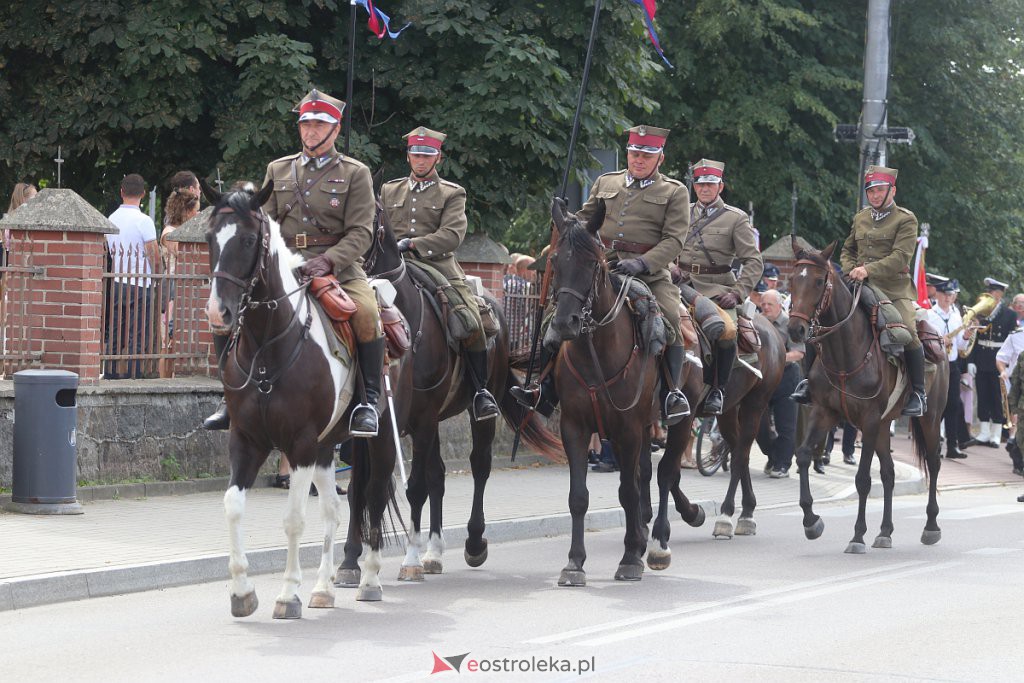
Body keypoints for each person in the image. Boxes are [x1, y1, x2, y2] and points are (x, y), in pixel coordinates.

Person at [511, 125, 691, 425]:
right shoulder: (607, 182)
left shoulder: (675, 191)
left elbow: (674, 240)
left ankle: (671, 395)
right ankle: (541, 388)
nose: (638, 160)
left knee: (670, 319)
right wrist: (564, 217)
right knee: (557, 317)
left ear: (660, 157)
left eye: (646, 155)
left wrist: (643, 263)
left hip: (648, 273)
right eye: (634, 153)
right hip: (601, 265)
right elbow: (583, 220)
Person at [258, 89, 383, 437]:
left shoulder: (356, 173)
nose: (310, 131)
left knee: (367, 313)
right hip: (286, 265)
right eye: (306, 124)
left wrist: (328, 261)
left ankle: (368, 401)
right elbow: (265, 224)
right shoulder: (278, 168)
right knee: (238, 307)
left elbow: (361, 233)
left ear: (335, 129)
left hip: (338, 267)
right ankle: (233, 396)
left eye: (319, 124)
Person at [380, 126, 499, 420]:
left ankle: (480, 390)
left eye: (426, 155)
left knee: (470, 319)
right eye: (415, 154)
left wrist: (414, 244)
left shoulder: (452, 193)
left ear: (438, 158)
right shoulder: (388, 189)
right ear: (408, 157)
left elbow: (452, 235)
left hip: (436, 265)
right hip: (391, 265)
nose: (420, 160)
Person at [792, 165, 926, 416]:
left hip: (894, 289)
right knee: (816, 323)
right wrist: (852, 268)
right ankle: (808, 382)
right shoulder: (861, 217)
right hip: (857, 284)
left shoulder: (906, 219)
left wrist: (868, 270)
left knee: (908, 331)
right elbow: (848, 249)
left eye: (879, 190)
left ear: (892, 190)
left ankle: (918, 393)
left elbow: (901, 256)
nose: (874, 195)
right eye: (871, 191)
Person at [678, 158, 763, 414]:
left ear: (720, 186)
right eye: (700, 184)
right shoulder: (681, 211)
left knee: (726, 331)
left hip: (716, 290)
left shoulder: (735, 218)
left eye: (710, 184)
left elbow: (753, 260)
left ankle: (717, 388)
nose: (704, 189)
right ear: (694, 186)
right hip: (677, 284)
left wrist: (738, 293)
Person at [105, 174, 161, 379]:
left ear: (121, 192)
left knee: (117, 330)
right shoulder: (144, 221)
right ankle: (133, 374)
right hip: (141, 283)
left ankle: (110, 373)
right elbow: (153, 254)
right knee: (137, 333)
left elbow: (110, 251)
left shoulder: (111, 219)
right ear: (143, 194)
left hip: (118, 281)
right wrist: (157, 275)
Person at [755, 290, 804, 477]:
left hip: (786, 377)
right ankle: (773, 454)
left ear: (780, 305)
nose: (766, 307)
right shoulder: (756, 322)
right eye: (763, 304)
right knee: (759, 424)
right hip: (762, 379)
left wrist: (775, 358)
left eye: (770, 304)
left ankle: (782, 464)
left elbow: (798, 353)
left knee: (786, 424)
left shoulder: (790, 324)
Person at [964, 277, 1017, 448]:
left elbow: (1011, 343)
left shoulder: (1009, 315)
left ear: (1000, 295)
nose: (991, 296)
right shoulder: (980, 312)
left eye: (994, 293)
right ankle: (984, 432)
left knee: (997, 396)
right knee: (983, 395)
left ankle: (995, 433)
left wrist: (1008, 364)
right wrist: (971, 361)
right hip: (981, 357)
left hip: (998, 359)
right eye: (989, 293)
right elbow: (973, 337)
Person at [159, 171, 200, 379]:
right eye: (195, 211)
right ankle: (165, 380)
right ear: (186, 211)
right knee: (170, 339)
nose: (198, 216)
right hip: (174, 289)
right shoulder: (169, 232)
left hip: (188, 288)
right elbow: (183, 254)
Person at [926, 279, 973, 458]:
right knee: (935, 405)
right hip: (935, 364)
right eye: (945, 295)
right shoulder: (930, 314)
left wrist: (966, 336)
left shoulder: (956, 315)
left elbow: (961, 345)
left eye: (951, 295)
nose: (948, 298)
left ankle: (952, 446)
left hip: (951, 365)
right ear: (937, 294)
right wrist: (939, 341)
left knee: (953, 404)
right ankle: (933, 440)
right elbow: (924, 340)